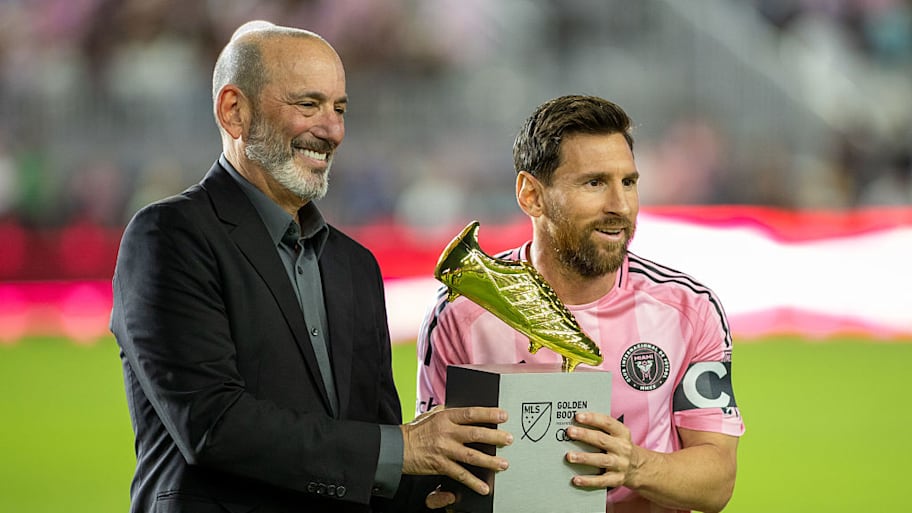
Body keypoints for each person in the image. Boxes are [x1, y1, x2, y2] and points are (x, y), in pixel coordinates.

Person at [110, 21, 512, 513]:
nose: (332, 130)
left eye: (340, 108)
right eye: (309, 104)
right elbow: (213, 424)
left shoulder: (355, 265)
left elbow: (374, 451)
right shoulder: (170, 236)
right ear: (234, 111)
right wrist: (404, 448)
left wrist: (459, 481)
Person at [416, 95, 744, 513]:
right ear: (531, 195)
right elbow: (432, 469)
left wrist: (634, 465)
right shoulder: (462, 313)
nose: (620, 206)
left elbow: (717, 482)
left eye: (628, 182)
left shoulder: (689, 309)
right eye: (594, 183)